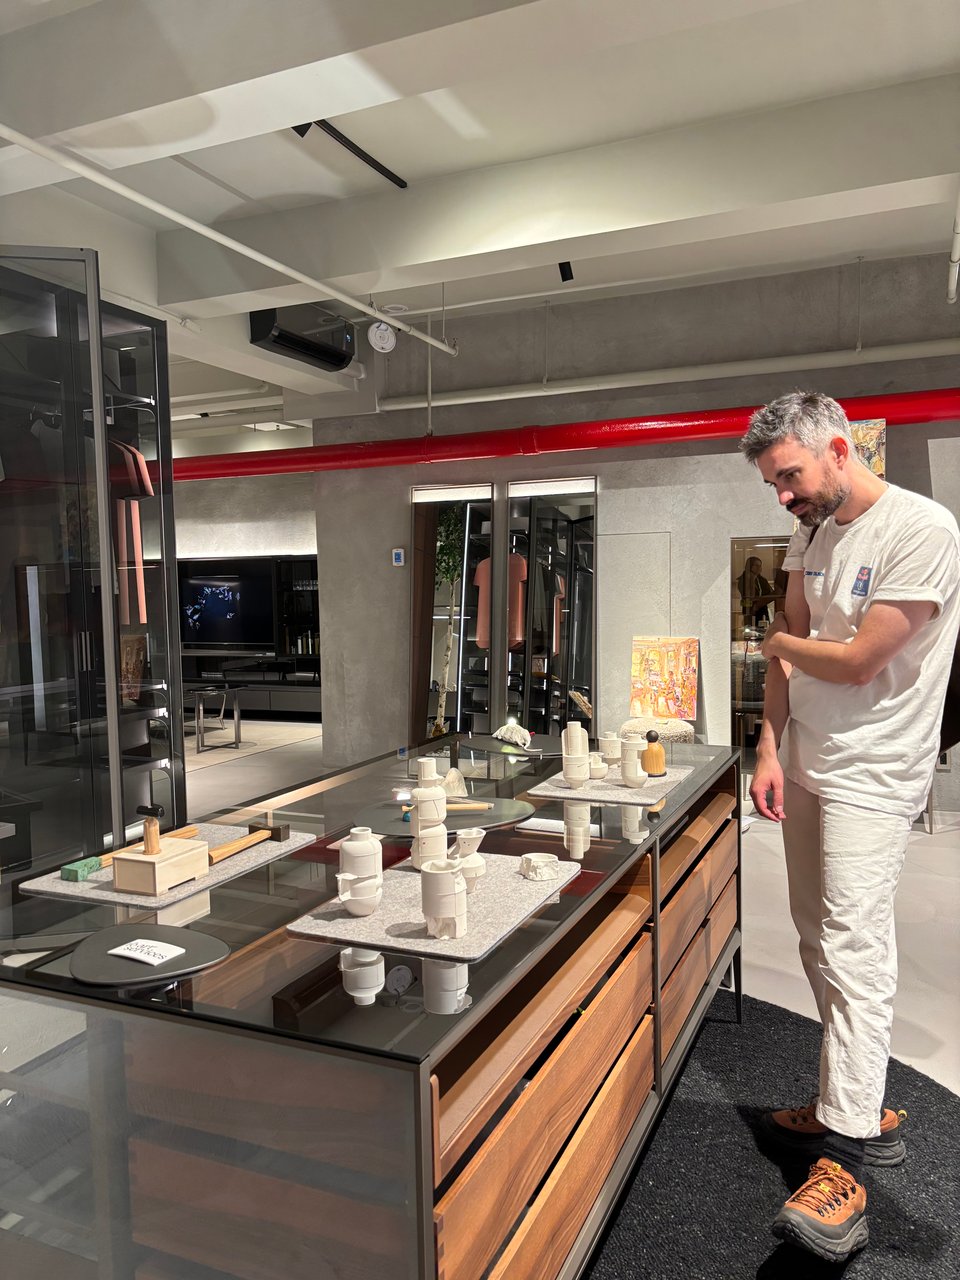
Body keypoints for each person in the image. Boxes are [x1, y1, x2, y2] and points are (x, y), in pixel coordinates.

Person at [738, 390, 960, 1263]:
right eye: (772, 484)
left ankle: (847, 1160)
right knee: (814, 939)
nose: (783, 496)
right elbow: (792, 627)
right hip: (807, 763)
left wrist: (780, 649)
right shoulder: (813, 530)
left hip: (876, 773)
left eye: (789, 476)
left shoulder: (923, 529)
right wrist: (768, 743)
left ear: (837, 448)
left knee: (854, 945)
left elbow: (862, 659)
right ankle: (852, 1095)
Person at [737, 555, 777, 627]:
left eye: (760, 566)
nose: (759, 568)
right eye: (757, 565)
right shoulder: (743, 579)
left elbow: (772, 594)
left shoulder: (762, 580)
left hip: (762, 610)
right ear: (750, 566)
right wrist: (752, 579)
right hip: (749, 611)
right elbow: (749, 595)